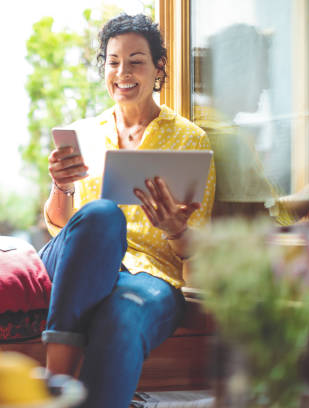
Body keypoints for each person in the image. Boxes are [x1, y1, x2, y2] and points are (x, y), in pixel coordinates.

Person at [38, 13, 216, 408]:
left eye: (136, 60)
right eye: (113, 61)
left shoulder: (190, 139)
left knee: (121, 319)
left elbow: (195, 248)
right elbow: (60, 225)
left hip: (150, 278)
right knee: (102, 214)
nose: (123, 71)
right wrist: (61, 185)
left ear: (158, 69)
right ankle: (57, 378)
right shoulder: (82, 133)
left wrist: (174, 229)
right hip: (78, 264)